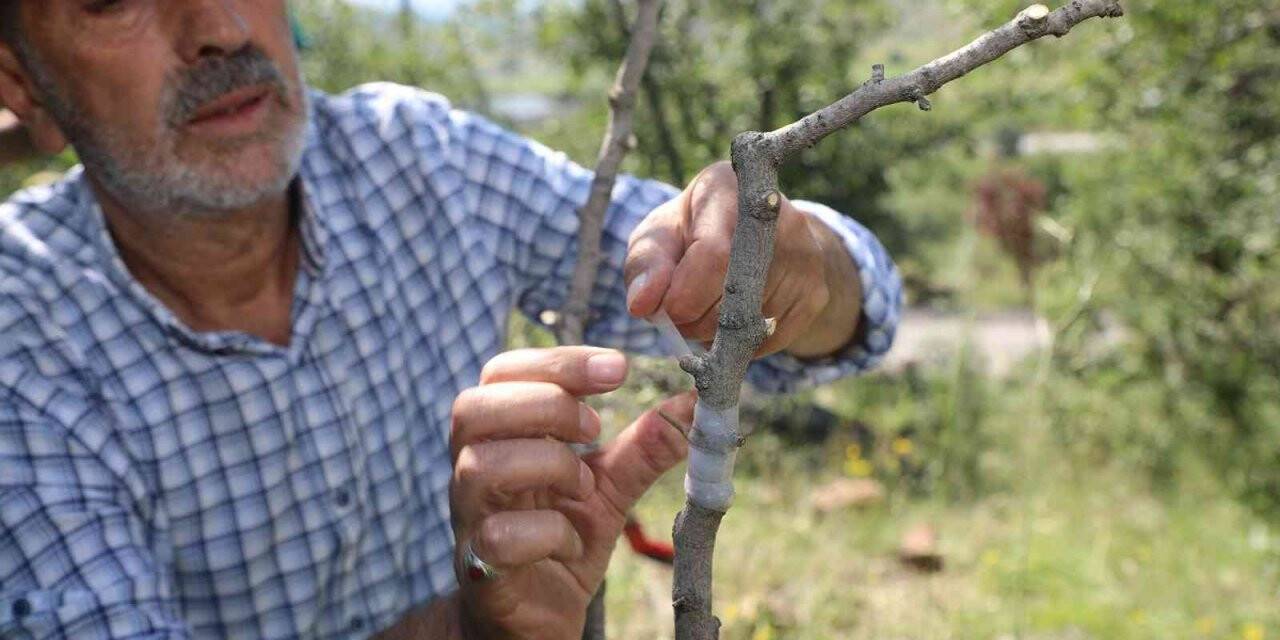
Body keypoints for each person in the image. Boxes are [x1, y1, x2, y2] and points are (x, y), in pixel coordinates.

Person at [0, 2, 901, 639]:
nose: (222, 28)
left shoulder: (421, 160)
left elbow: (844, 315)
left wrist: (787, 259)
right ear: (24, 85)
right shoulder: (20, 334)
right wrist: (472, 627)